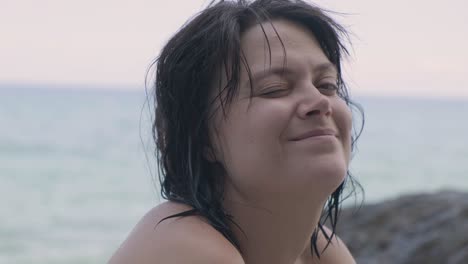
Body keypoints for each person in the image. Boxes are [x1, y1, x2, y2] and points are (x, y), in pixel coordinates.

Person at [109, 0, 364, 263]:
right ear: (203, 138)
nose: (320, 102)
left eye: (327, 85)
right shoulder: (186, 248)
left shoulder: (323, 253)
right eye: (274, 88)